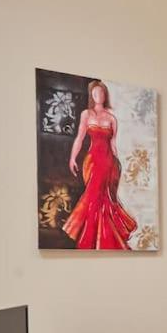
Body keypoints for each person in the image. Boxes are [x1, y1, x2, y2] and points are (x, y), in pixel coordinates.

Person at [61, 80, 137, 249]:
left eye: (101, 93)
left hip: (109, 162)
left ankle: (103, 241)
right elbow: (79, 138)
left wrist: (118, 164)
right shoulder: (86, 114)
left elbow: (113, 145)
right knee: (93, 197)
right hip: (93, 161)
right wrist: (72, 158)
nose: (98, 96)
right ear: (92, 96)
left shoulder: (111, 118)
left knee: (105, 199)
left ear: (105, 95)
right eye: (95, 93)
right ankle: (90, 240)